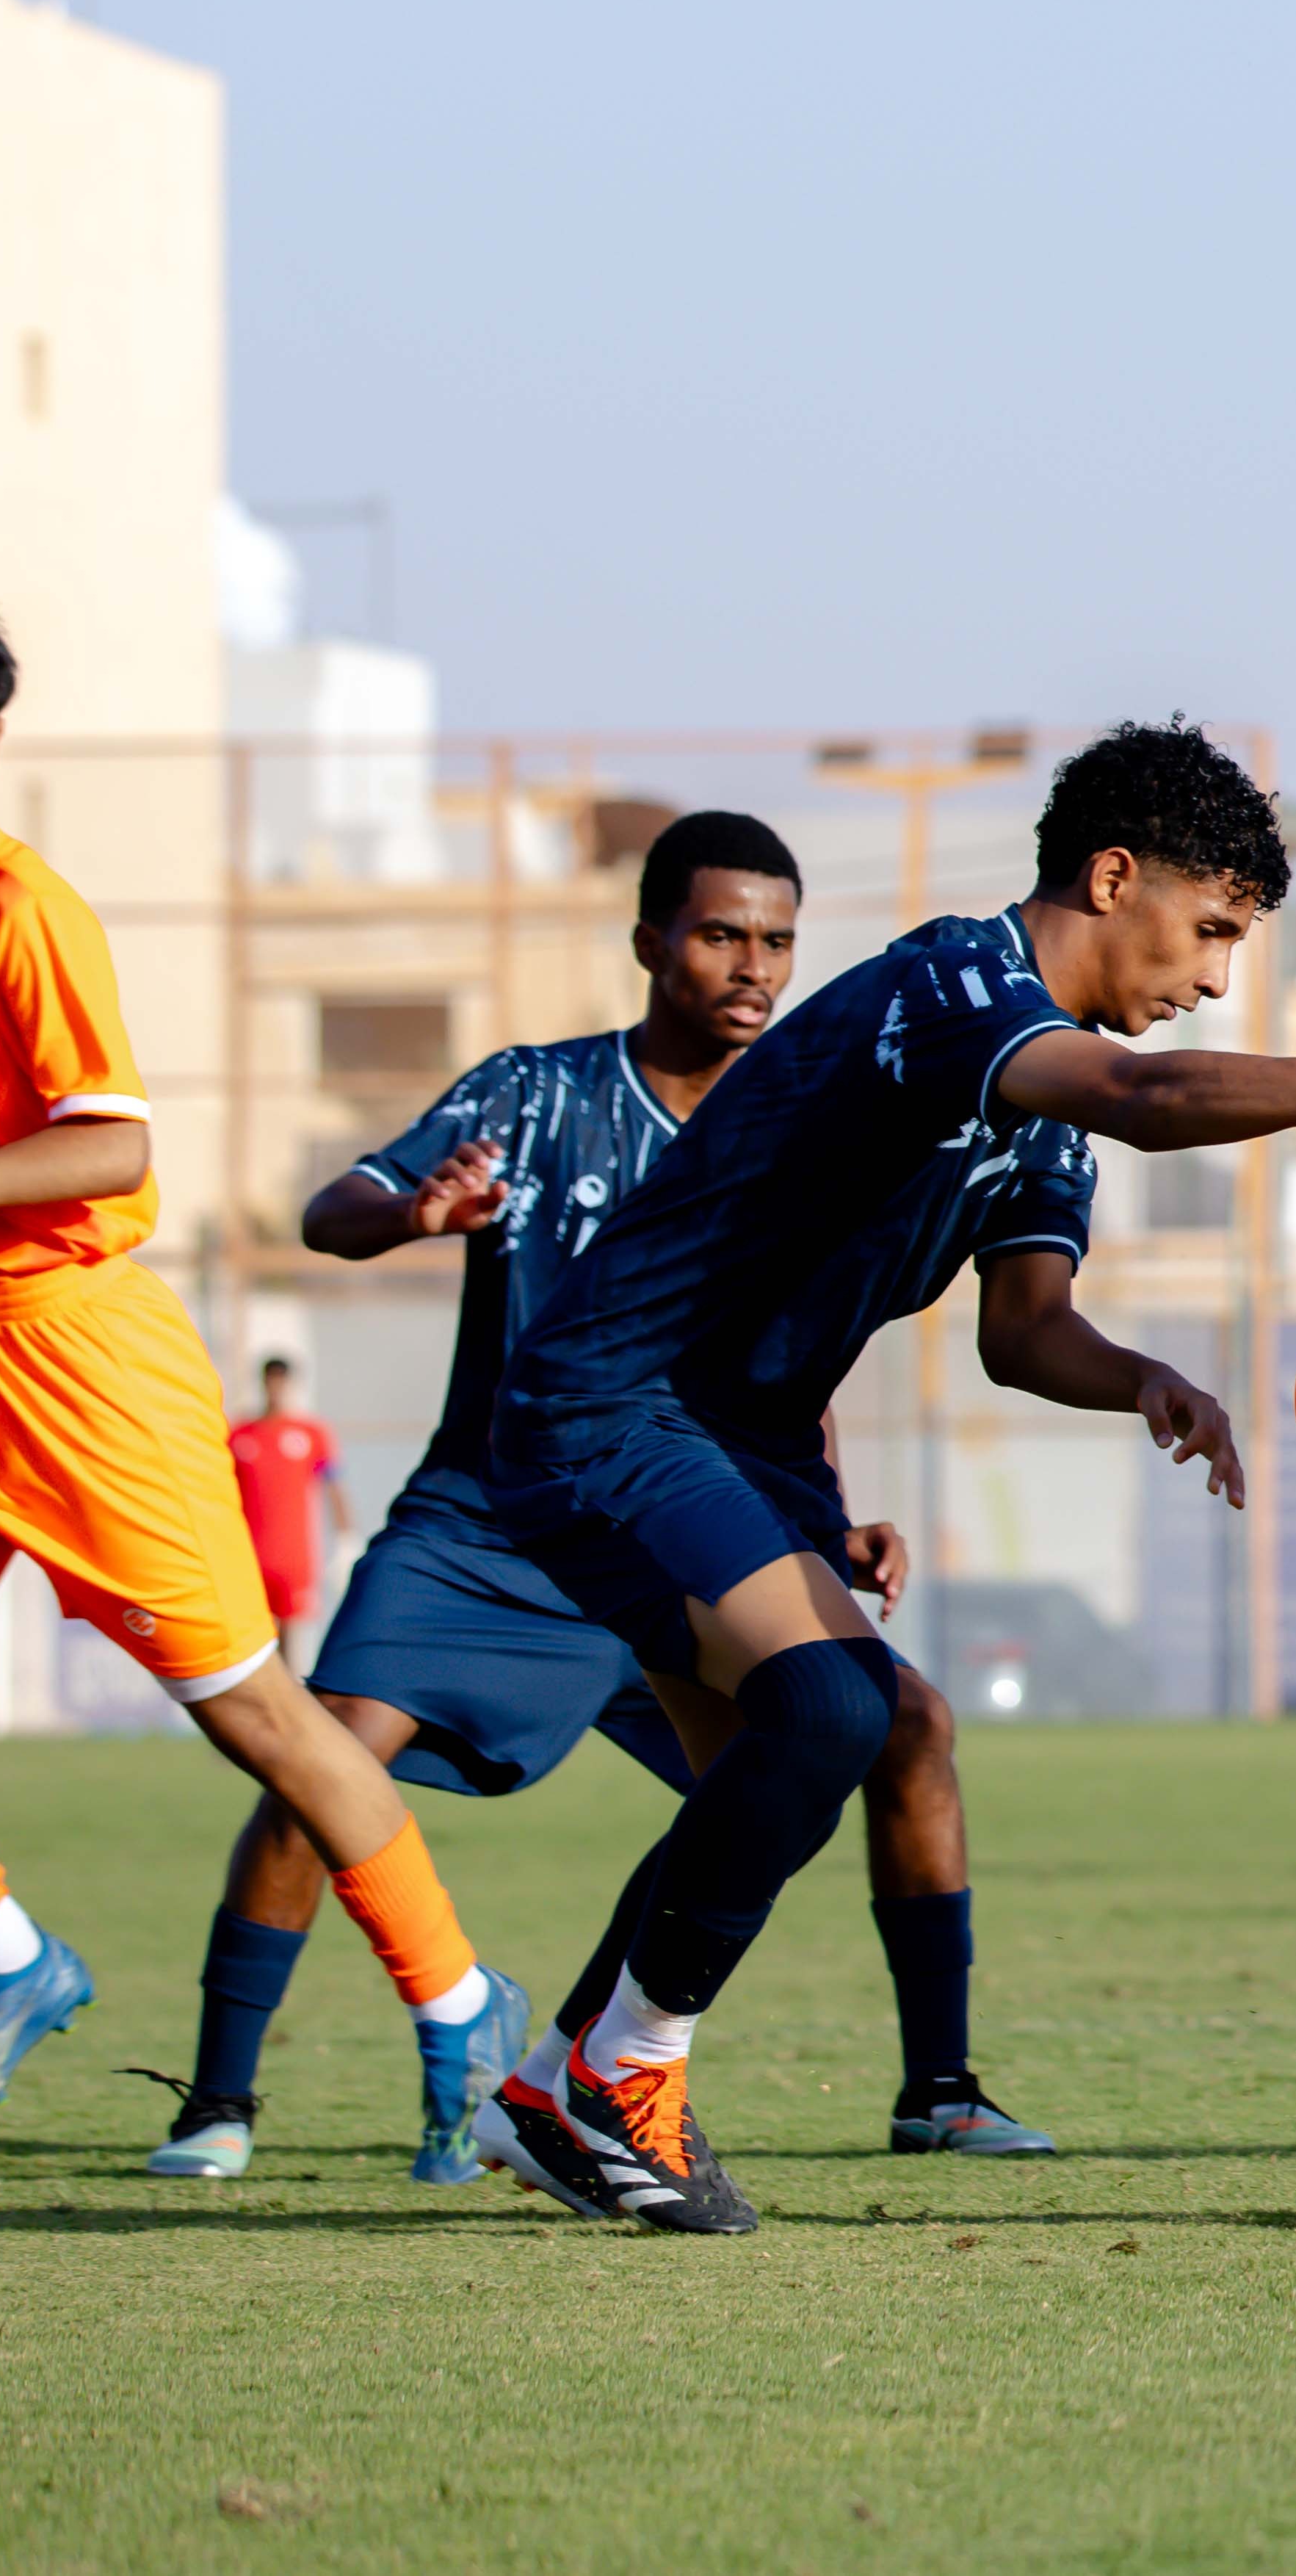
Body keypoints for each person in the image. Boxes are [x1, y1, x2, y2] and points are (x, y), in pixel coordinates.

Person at [471, 722, 1296, 2236]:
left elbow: (1024, 1334)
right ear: (1113, 876)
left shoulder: (1041, 1114)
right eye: (1213, 928)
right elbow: (1150, 1099)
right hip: (608, 1395)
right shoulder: (955, 985)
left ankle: (571, 2082)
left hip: (734, 1435)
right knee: (831, 1708)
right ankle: (611, 2073)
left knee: (860, 1729)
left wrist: (1141, 1377)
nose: (1217, 976)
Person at [145, 810, 1060, 2183]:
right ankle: (219, 2101)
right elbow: (337, 1207)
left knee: (886, 1728)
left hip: (686, 1513)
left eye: (774, 941)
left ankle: (927, 2084)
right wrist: (413, 1211)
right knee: (323, 1753)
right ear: (648, 942)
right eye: (718, 933)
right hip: (494, 1517)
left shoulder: (811, 1114)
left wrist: (825, 1513)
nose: (750, 966)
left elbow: (772, 1360)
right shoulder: (536, 1091)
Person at [0, 595, 526, 2153]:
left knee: (266, 1722)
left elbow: (115, 1142)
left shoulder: (29, 915)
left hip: (89, 1364)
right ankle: (10, 1963)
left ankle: (457, 2002)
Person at [226, 1357, 345, 1665]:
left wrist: (346, 1539)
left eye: (282, 1381)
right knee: (257, 1640)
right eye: (271, 1380)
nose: (276, 1388)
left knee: (291, 1639)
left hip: (293, 1557)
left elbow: (334, 1487)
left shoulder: (311, 1433)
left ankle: (289, 1700)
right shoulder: (240, 1435)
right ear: (264, 1383)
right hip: (250, 1555)